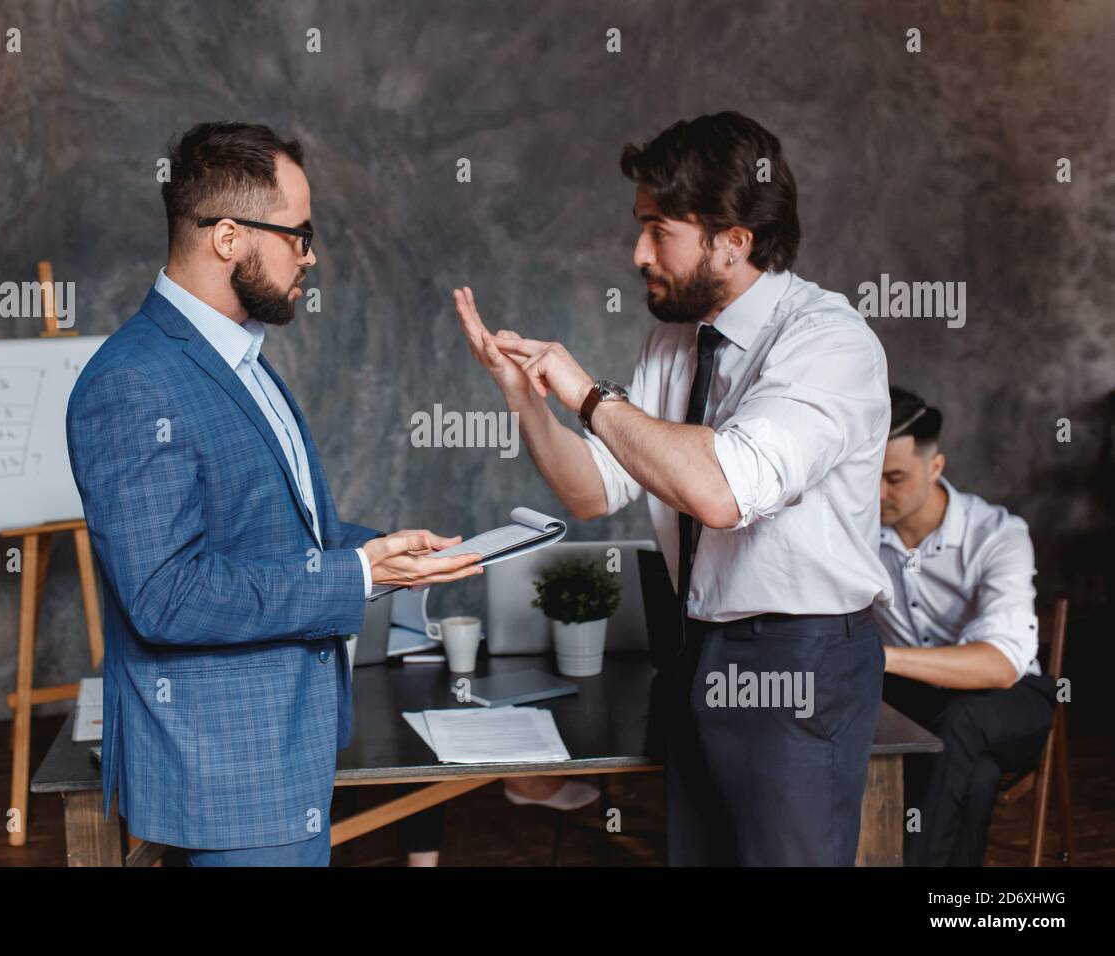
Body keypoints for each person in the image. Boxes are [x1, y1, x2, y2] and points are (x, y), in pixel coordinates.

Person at [453, 111, 893, 865]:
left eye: (659, 229)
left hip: (798, 658)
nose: (637, 252)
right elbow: (593, 489)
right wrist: (526, 396)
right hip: (700, 648)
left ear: (734, 238)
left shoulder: (829, 341)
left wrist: (591, 396)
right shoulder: (674, 338)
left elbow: (722, 490)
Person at [66, 122, 482, 867]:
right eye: (299, 234)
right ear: (229, 237)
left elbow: (267, 537)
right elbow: (166, 595)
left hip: (286, 749)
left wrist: (380, 549)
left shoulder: (242, 356)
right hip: (229, 774)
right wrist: (359, 575)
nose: (310, 256)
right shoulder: (131, 383)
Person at [875, 386, 1057, 865]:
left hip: (1011, 698)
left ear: (935, 468)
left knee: (962, 722)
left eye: (894, 478)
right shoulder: (855, 532)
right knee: (972, 775)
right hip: (916, 702)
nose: (877, 493)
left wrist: (881, 658)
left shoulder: (997, 535)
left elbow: (999, 666)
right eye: (867, 475)